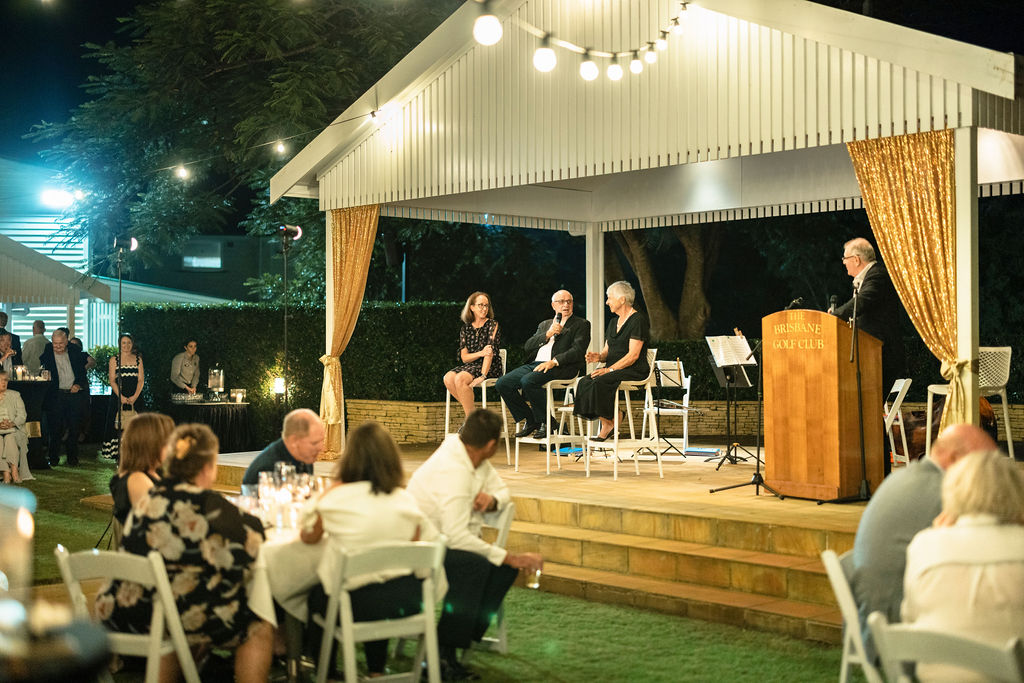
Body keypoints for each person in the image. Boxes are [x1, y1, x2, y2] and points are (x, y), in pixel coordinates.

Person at [96, 423, 274, 683]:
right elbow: (254, 540)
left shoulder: (147, 501)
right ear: (208, 467)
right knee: (257, 624)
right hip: (164, 616)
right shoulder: (210, 506)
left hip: (123, 610)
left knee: (183, 603)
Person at [408, 409, 543, 679]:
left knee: (502, 570)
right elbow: (456, 536)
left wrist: (493, 501)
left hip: (443, 541)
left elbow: (502, 490)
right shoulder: (455, 469)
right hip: (420, 548)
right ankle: (441, 654)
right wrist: (509, 555)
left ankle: (456, 640)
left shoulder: (472, 456)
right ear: (492, 445)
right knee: (475, 566)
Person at [301, 421, 441, 677]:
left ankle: (328, 673)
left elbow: (308, 535)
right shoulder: (406, 501)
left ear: (350, 458)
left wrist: (331, 489)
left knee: (316, 595)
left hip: (354, 606)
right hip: (408, 601)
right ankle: (376, 670)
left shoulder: (336, 498)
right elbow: (419, 546)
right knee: (383, 579)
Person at [850, 423, 995, 662]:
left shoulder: (906, 476)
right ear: (955, 459)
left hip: (871, 617)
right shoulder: (944, 492)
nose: (990, 476)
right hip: (897, 629)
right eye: (984, 465)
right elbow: (985, 550)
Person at [901, 450, 1024, 682]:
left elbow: (910, 618)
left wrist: (934, 539)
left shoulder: (924, 545)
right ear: (1015, 492)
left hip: (937, 676)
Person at [495, 290, 591, 439]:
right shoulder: (545, 324)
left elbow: (577, 351)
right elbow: (528, 346)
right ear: (553, 305)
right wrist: (548, 334)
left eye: (569, 301)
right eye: (561, 301)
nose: (566, 305)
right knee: (503, 383)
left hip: (561, 366)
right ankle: (531, 420)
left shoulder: (581, 324)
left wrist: (553, 362)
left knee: (528, 381)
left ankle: (546, 422)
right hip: (536, 364)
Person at [573, 281, 650, 440]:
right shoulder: (613, 322)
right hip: (613, 370)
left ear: (622, 299)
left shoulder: (638, 320)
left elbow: (633, 355)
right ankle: (609, 420)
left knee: (600, 380)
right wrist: (599, 357)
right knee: (585, 381)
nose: (607, 302)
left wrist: (609, 369)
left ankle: (610, 423)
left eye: (609, 298)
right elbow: (607, 352)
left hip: (634, 370)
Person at [831, 238, 907, 398]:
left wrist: (832, 317)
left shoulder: (878, 275)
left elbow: (861, 302)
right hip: (871, 357)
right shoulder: (868, 277)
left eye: (845, 258)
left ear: (856, 259)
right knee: (863, 405)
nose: (843, 262)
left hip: (882, 356)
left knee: (868, 405)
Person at [443, 292, 504, 425]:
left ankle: (470, 421)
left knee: (460, 378)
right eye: (480, 305)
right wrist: (480, 353)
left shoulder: (492, 324)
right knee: (448, 378)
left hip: (489, 366)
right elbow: (464, 358)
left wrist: (483, 375)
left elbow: (489, 354)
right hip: (470, 365)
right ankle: (473, 416)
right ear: (472, 307)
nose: (484, 308)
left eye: (486, 305)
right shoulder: (465, 328)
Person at [108, 412, 175, 526]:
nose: (172, 446)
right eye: (168, 441)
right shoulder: (137, 480)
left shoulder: (155, 472)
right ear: (152, 444)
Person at [39, 329, 88, 467]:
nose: (58, 347)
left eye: (60, 344)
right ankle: (53, 458)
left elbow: (82, 372)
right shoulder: (48, 351)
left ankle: (72, 458)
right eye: (55, 344)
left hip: (73, 394)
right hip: (56, 395)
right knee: (55, 429)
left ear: (66, 341)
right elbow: (42, 368)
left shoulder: (74, 351)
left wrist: (78, 384)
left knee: (74, 427)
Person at [242, 408, 324, 485]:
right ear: (293, 441)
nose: (321, 448)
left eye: (322, 441)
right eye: (315, 443)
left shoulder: (304, 457)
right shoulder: (267, 470)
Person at [102, 333, 144, 460]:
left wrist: (135, 396)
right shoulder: (114, 360)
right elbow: (112, 380)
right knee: (118, 424)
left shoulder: (138, 359)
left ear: (132, 344)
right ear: (119, 344)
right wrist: (121, 397)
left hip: (135, 397)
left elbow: (141, 380)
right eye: (124, 343)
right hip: (118, 396)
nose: (126, 345)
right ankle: (119, 455)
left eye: (129, 343)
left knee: (137, 425)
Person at [0, 370, 31, 483]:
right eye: (1, 380)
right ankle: (6, 473)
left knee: (10, 438)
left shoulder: (15, 395)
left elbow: (22, 415)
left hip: (15, 430)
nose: (4, 383)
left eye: (5, 380)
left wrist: (11, 424)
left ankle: (14, 471)